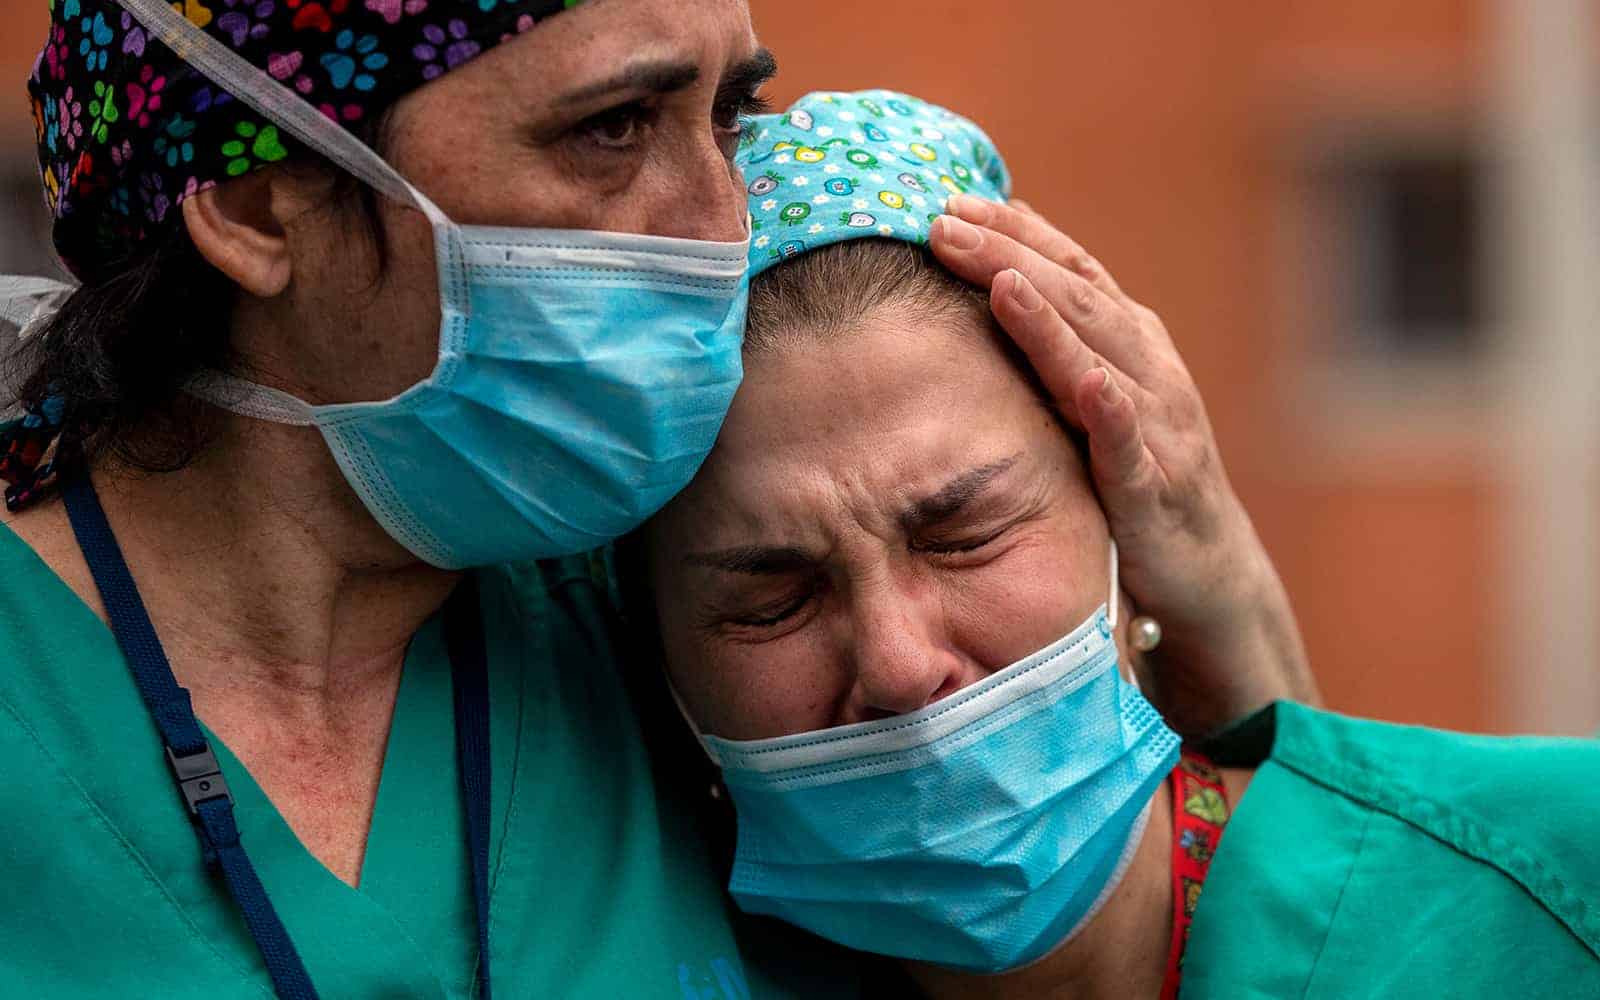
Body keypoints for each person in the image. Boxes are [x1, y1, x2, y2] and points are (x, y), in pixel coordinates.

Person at [0, 1, 1311, 996]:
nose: (722, 220)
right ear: (261, 208)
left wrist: (1225, 604)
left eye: (729, 116)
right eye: (616, 129)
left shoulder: (674, 611)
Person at [632, 90, 1600, 999]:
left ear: (1121, 522)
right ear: (666, 675)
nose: (895, 662)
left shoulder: (1552, 890)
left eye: (962, 534)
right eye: (774, 600)